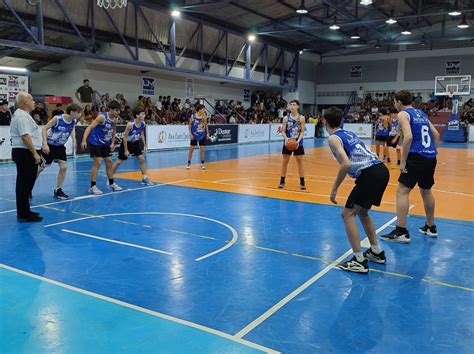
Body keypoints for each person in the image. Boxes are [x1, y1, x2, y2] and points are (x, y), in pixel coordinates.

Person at [324, 107, 390, 273]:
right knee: (362, 212)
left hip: (369, 174)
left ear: (324, 121)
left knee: (347, 214)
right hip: (381, 170)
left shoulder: (333, 138)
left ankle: (359, 260)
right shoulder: (348, 134)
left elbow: (345, 164)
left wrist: (334, 189)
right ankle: (376, 251)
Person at [381, 90, 440, 243]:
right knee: (426, 191)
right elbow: (436, 135)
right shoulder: (421, 113)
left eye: (394, 102)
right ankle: (431, 226)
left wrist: (404, 162)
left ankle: (401, 231)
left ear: (399, 102)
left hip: (416, 156)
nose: (394, 104)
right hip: (429, 156)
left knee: (402, 191)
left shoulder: (403, 114)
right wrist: (433, 151)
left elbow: (408, 137)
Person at [10, 92, 43, 222]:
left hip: (24, 152)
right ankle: (23, 214)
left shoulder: (23, 115)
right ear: (25, 102)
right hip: (25, 153)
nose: (34, 102)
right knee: (25, 183)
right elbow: (25, 136)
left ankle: (25, 210)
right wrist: (35, 153)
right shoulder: (22, 116)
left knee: (25, 182)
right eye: (32, 100)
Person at [38, 103, 81, 199]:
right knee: (39, 169)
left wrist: (74, 139)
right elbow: (44, 128)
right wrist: (44, 143)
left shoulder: (73, 120)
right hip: (50, 146)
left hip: (60, 147)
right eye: (78, 113)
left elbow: (71, 129)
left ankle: (58, 190)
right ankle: (28, 188)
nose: (80, 115)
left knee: (64, 167)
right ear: (72, 112)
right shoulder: (57, 119)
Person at [81, 100, 123, 195]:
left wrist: (112, 142)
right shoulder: (102, 117)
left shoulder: (115, 119)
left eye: (119, 110)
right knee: (98, 162)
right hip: (95, 142)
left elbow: (114, 130)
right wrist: (84, 140)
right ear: (111, 110)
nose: (118, 112)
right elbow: (89, 127)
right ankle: (93, 186)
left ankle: (112, 183)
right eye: (116, 110)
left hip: (105, 143)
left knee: (109, 162)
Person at [111, 109, 153, 185]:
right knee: (119, 162)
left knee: (142, 159)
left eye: (144, 114)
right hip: (127, 143)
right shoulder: (130, 124)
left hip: (135, 143)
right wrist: (126, 150)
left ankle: (144, 178)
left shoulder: (143, 123)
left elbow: (142, 133)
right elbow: (125, 137)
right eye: (142, 114)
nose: (144, 115)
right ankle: (110, 178)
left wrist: (145, 145)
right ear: (137, 115)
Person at [278, 99, 306, 190]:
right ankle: (282, 181)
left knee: (300, 162)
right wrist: (286, 139)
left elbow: (302, 132)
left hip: (298, 142)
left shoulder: (301, 118)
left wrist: (298, 141)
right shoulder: (286, 118)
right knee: (284, 162)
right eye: (291, 105)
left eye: (294, 105)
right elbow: (283, 131)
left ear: (298, 106)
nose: (292, 107)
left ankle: (302, 182)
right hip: (288, 142)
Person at [187, 104, 208, 170]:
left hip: (201, 134)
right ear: (199, 110)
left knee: (202, 149)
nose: (204, 110)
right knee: (191, 149)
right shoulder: (193, 116)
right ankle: (189, 163)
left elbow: (206, 125)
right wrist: (190, 133)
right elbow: (189, 125)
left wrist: (207, 133)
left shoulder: (204, 116)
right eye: (203, 109)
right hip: (194, 134)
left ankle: (202, 164)